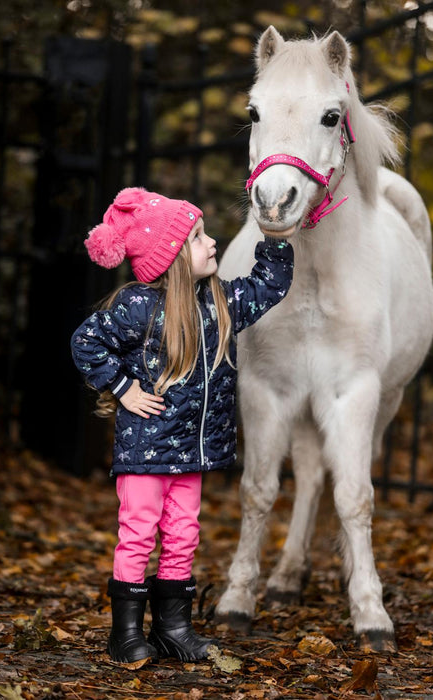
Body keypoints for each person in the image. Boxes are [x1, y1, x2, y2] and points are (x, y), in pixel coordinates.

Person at [71, 187, 294, 669]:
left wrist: (275, 237)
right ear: (170, 258)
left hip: (191, 456)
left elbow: (268, 285)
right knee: (138, 534)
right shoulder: (136, 306)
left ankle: (173, 628)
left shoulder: (220, 302)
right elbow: (86, 341)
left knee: (183, 535)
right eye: (197, 237)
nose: (211, 242)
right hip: (145, 455)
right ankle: (126, 633)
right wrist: (123, 387)